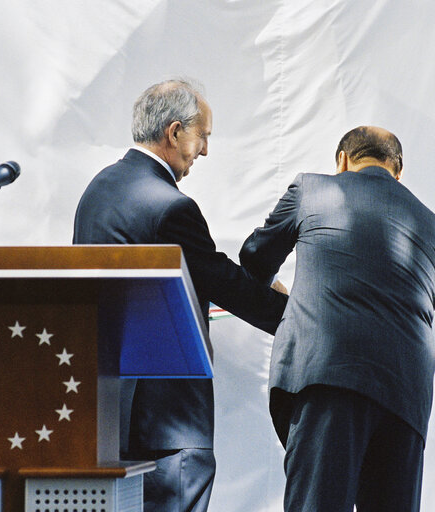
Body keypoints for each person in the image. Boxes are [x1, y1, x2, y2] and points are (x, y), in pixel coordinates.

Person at [72, 79, 288, 512]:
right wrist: (299, 314)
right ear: (174, 132)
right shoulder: (171, 207)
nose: (204, 150)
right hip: (167, 423)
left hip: (105, 412)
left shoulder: (96, 192)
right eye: (202, 136)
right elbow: (220, 281)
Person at [239, 126, 435, 511]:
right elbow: (423, 306)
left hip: (330, 378)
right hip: (407, 393)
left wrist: (283, 295)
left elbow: (255, 257)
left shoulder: (311, 189)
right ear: (397, 170)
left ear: (343, 160)